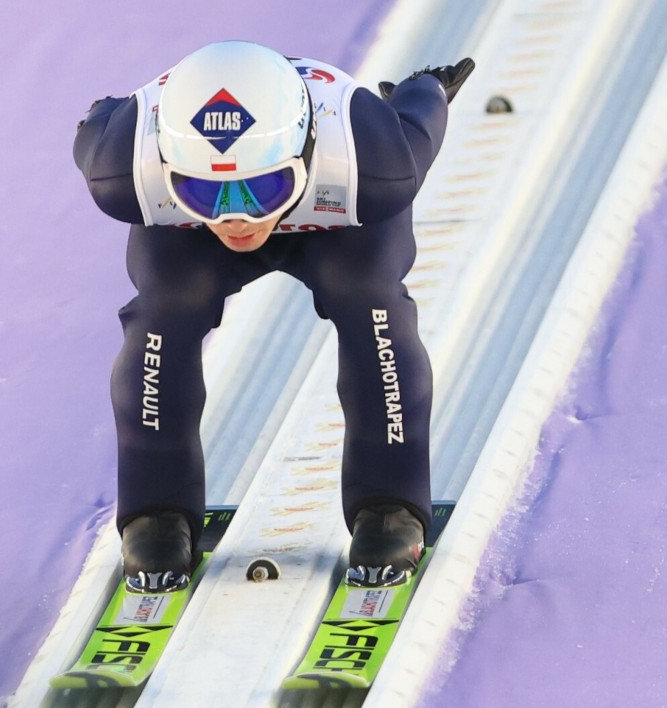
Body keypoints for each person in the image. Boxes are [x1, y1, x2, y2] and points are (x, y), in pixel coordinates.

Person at [73, 40, 473, 593]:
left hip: (340, 224)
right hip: (203, 236)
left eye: (262, 187)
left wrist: (424, 89)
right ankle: (155, 511)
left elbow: (418, 125)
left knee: (371, 301)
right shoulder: (121, 169)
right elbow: (102, 123)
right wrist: (105, 115)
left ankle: (390, 504)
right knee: (162, 315)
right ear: (165, 168)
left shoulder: (374, 162)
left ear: (309, 152)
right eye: (206, 191)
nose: (237, 219)